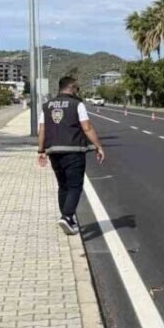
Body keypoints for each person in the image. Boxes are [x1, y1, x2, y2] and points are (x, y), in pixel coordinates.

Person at [37, 77, 106, 235]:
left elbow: (42, 129)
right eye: (77, 89)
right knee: (75, 185)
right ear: (72, 88)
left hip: (54, 151)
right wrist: (98, 146)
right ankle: (67, 216)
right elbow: (87, 127)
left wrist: (41, 151)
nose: (77, 91)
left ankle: (67, 218)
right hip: (73, 150)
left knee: (63, 185)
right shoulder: (77, 104)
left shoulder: (47, 106)